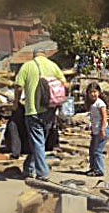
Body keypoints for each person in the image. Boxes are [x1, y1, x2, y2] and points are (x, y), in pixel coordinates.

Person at [14, 47, 67, 181]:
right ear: (44, 55)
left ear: (33, 55)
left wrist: (16, 101)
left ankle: (42, 173)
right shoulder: (53, 65)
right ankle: (28, 168)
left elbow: (18, 86)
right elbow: (65, 84)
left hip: (33, 110)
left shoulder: (27, 66)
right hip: (50, 109)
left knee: (37, 142)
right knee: (39, 141)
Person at [85, 82, 109, 177]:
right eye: (91, 92)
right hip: (95, 131)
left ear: (99, 92)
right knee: (92, 150)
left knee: (98, 151)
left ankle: (99, 170)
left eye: (95, 92)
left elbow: (104, 117)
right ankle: (93, 168)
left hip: (101, 130)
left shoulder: (100, 103)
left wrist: (102, 129)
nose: (93, 94)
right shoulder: (93, 104)